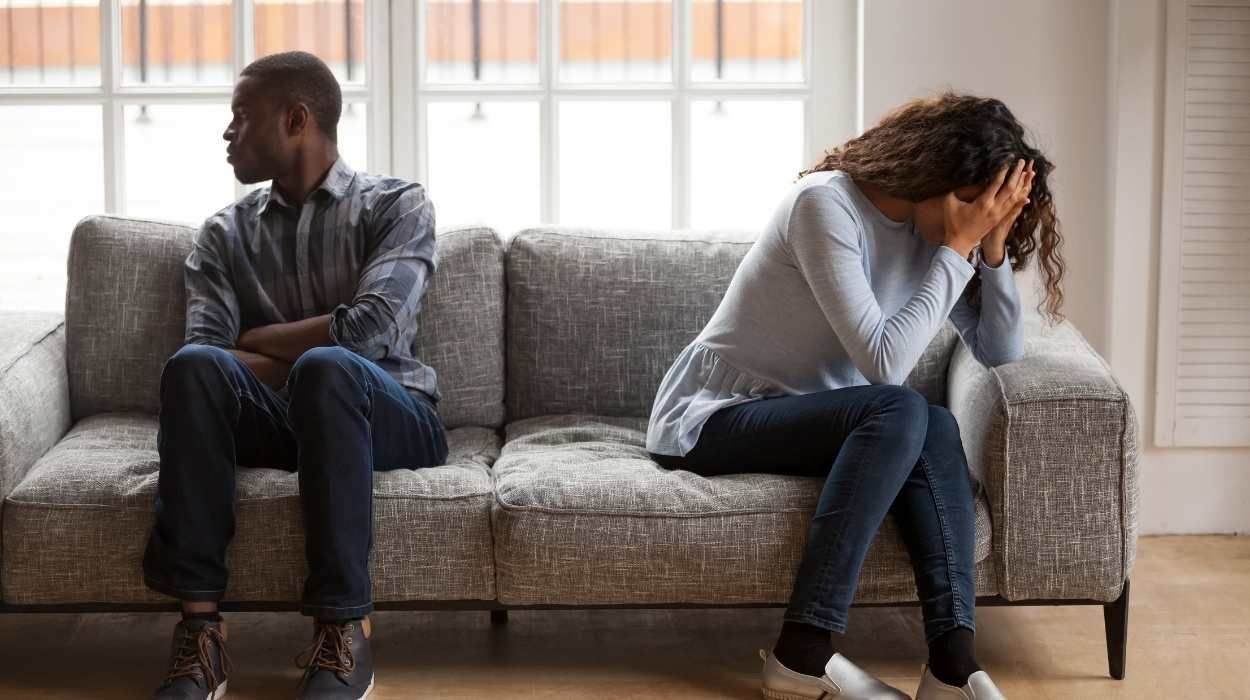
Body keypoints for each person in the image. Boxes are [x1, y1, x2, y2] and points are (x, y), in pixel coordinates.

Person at [646, 90, 1065, 700]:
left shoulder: (944, 232)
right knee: (901, 406)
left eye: (988, 210)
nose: (972, 220)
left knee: (935, 424)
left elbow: (1000, 351)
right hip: (713, 418)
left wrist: (991, 248)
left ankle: (953, 666)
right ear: (934, 174)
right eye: (973, 202)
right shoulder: (824, 206)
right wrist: (955, 249)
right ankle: (802, 653)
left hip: (825, 420)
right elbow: (886, 365)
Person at [142, 50, 449, 700]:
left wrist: (260, 341)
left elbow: (371, 331)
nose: (228, 133)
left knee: (331, 370)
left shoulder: (397, 205)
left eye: (240, 117)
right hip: (284, 419)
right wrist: (299, 349)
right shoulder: (224, 235)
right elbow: (208, 357)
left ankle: (343, 635)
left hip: (391, 416)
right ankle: (201, 638)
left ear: (295, 119)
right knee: (195, 370)